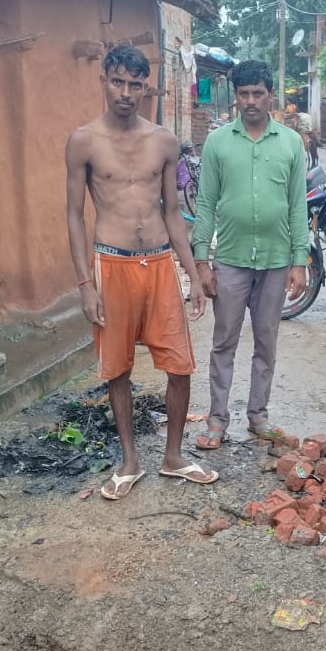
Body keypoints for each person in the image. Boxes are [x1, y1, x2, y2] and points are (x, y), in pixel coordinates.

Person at [65, 44, 218, 501]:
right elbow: (74, 215)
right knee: (117, 369)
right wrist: (84, 284)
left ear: (146, 87)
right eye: (118, 82)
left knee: (179, 365)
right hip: (110, 264)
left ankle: (173, 457)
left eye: (136, 84)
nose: (126, 93)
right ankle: (130, 460)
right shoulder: (83, 141)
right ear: (103, 81)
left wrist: (191, 275)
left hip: (158, 265)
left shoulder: (164, 141)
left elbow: (172, 213)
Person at [190, 60, 309, 450]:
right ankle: (217, 419)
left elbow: (297, 207)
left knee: (266, 341)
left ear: (270, 95)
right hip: (231, 260)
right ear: (236, 98)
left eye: (258, 93)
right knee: (223, 341)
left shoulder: (291, 143)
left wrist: (299, 261)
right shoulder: (218, 142)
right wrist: (201, 263)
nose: (251, 101)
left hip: (276, 262)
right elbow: (205, 204)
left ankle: (258, 415)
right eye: (244, 94)